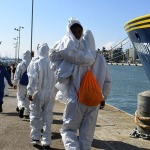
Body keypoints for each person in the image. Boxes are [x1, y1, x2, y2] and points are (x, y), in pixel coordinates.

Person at [50, 18, 111, 150]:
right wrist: (103, 98)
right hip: (94, 100)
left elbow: (62, 77)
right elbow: (107, 81)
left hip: (76, 98)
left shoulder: (77, 58)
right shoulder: (100, 58)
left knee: (68, 131)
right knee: (87, 137)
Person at [27, 43, 56, 150]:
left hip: (38, 93)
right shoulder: (53, 63)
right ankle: (46, 142)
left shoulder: (36, 62)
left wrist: (30, 92)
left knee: (35, 115)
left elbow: (33, 78)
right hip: (50, 93)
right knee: (47, 118)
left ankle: (35, 137)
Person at [13, 50, 31, 118]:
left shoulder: (20, 64)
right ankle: (26, 114)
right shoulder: (33, 63)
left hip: (22, 84)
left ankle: (21, 107)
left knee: (20, 97)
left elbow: (17, 75)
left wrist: (15, 83)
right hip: (30, 84)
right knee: (27, 99)